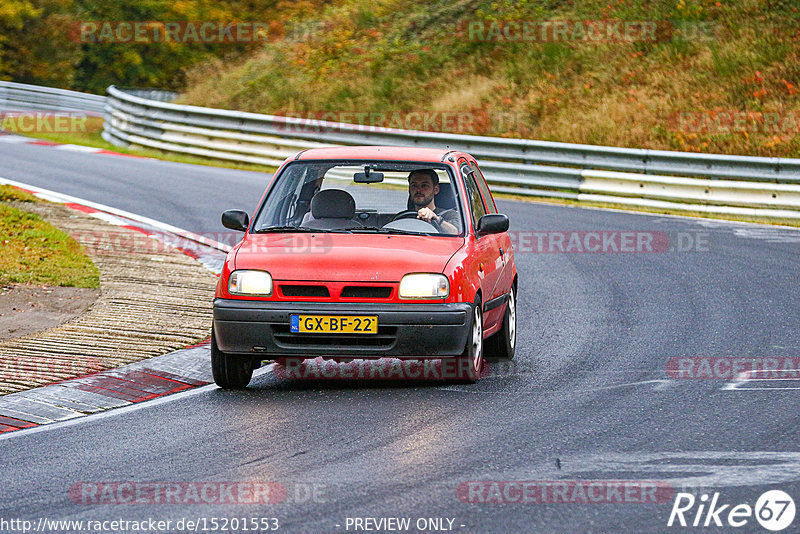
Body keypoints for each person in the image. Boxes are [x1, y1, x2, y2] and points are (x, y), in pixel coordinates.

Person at [407, 169, 459, 234]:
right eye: (414, 185)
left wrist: (436, 219)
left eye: (424, 185)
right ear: (409, 189)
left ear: (436, 190)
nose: (418, 190)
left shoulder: (450, 215)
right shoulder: (403, 217)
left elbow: (455, 232)